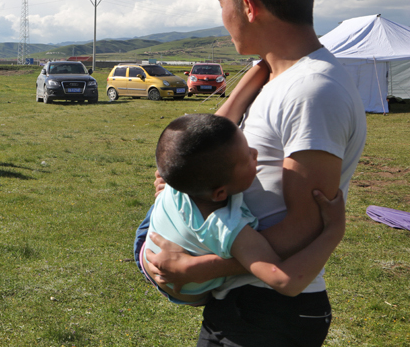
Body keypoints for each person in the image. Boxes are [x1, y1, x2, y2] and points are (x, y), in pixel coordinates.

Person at [142, 0, 367, 347]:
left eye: (222, 6)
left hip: (272, 310)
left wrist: (198, 268)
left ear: (249, 5)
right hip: (241, 302)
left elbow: (304, 226)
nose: (222, 19)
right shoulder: (277, 79)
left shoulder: (314, 92)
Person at [140, 114, 346, 305]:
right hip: (173, 281)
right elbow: (286, 282)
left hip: (149, 244)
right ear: (220, 193)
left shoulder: (182, 179)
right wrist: (334, 230)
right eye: (247, 157)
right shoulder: (226, 226)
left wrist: (259, 72)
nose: (255, 152)